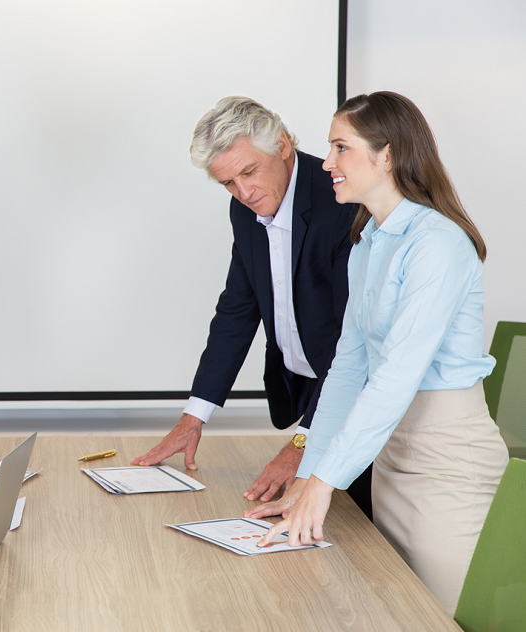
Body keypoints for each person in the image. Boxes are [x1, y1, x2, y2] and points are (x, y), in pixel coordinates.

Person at [250, 91, 508, 615]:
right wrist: (307, 478)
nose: (327, 163)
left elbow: (397, 374)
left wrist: (324, 484)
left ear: (386, 155)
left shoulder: (437, 243)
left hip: (446, 463)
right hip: (392, 455)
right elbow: (349, 367)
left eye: (341, 148)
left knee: (440, 616)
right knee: (389, 609)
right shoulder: (368, 241)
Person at [131, 97, 371, 515]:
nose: (243, 193)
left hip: (354, 392)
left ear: (281, 146)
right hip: (308, 388)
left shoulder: (340, 199)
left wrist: (304, 442)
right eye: (227, 183)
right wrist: (194, 417)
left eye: (248, 171)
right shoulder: (244, 210)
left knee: (358, 526)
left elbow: (351, 344)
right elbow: (237, 311)